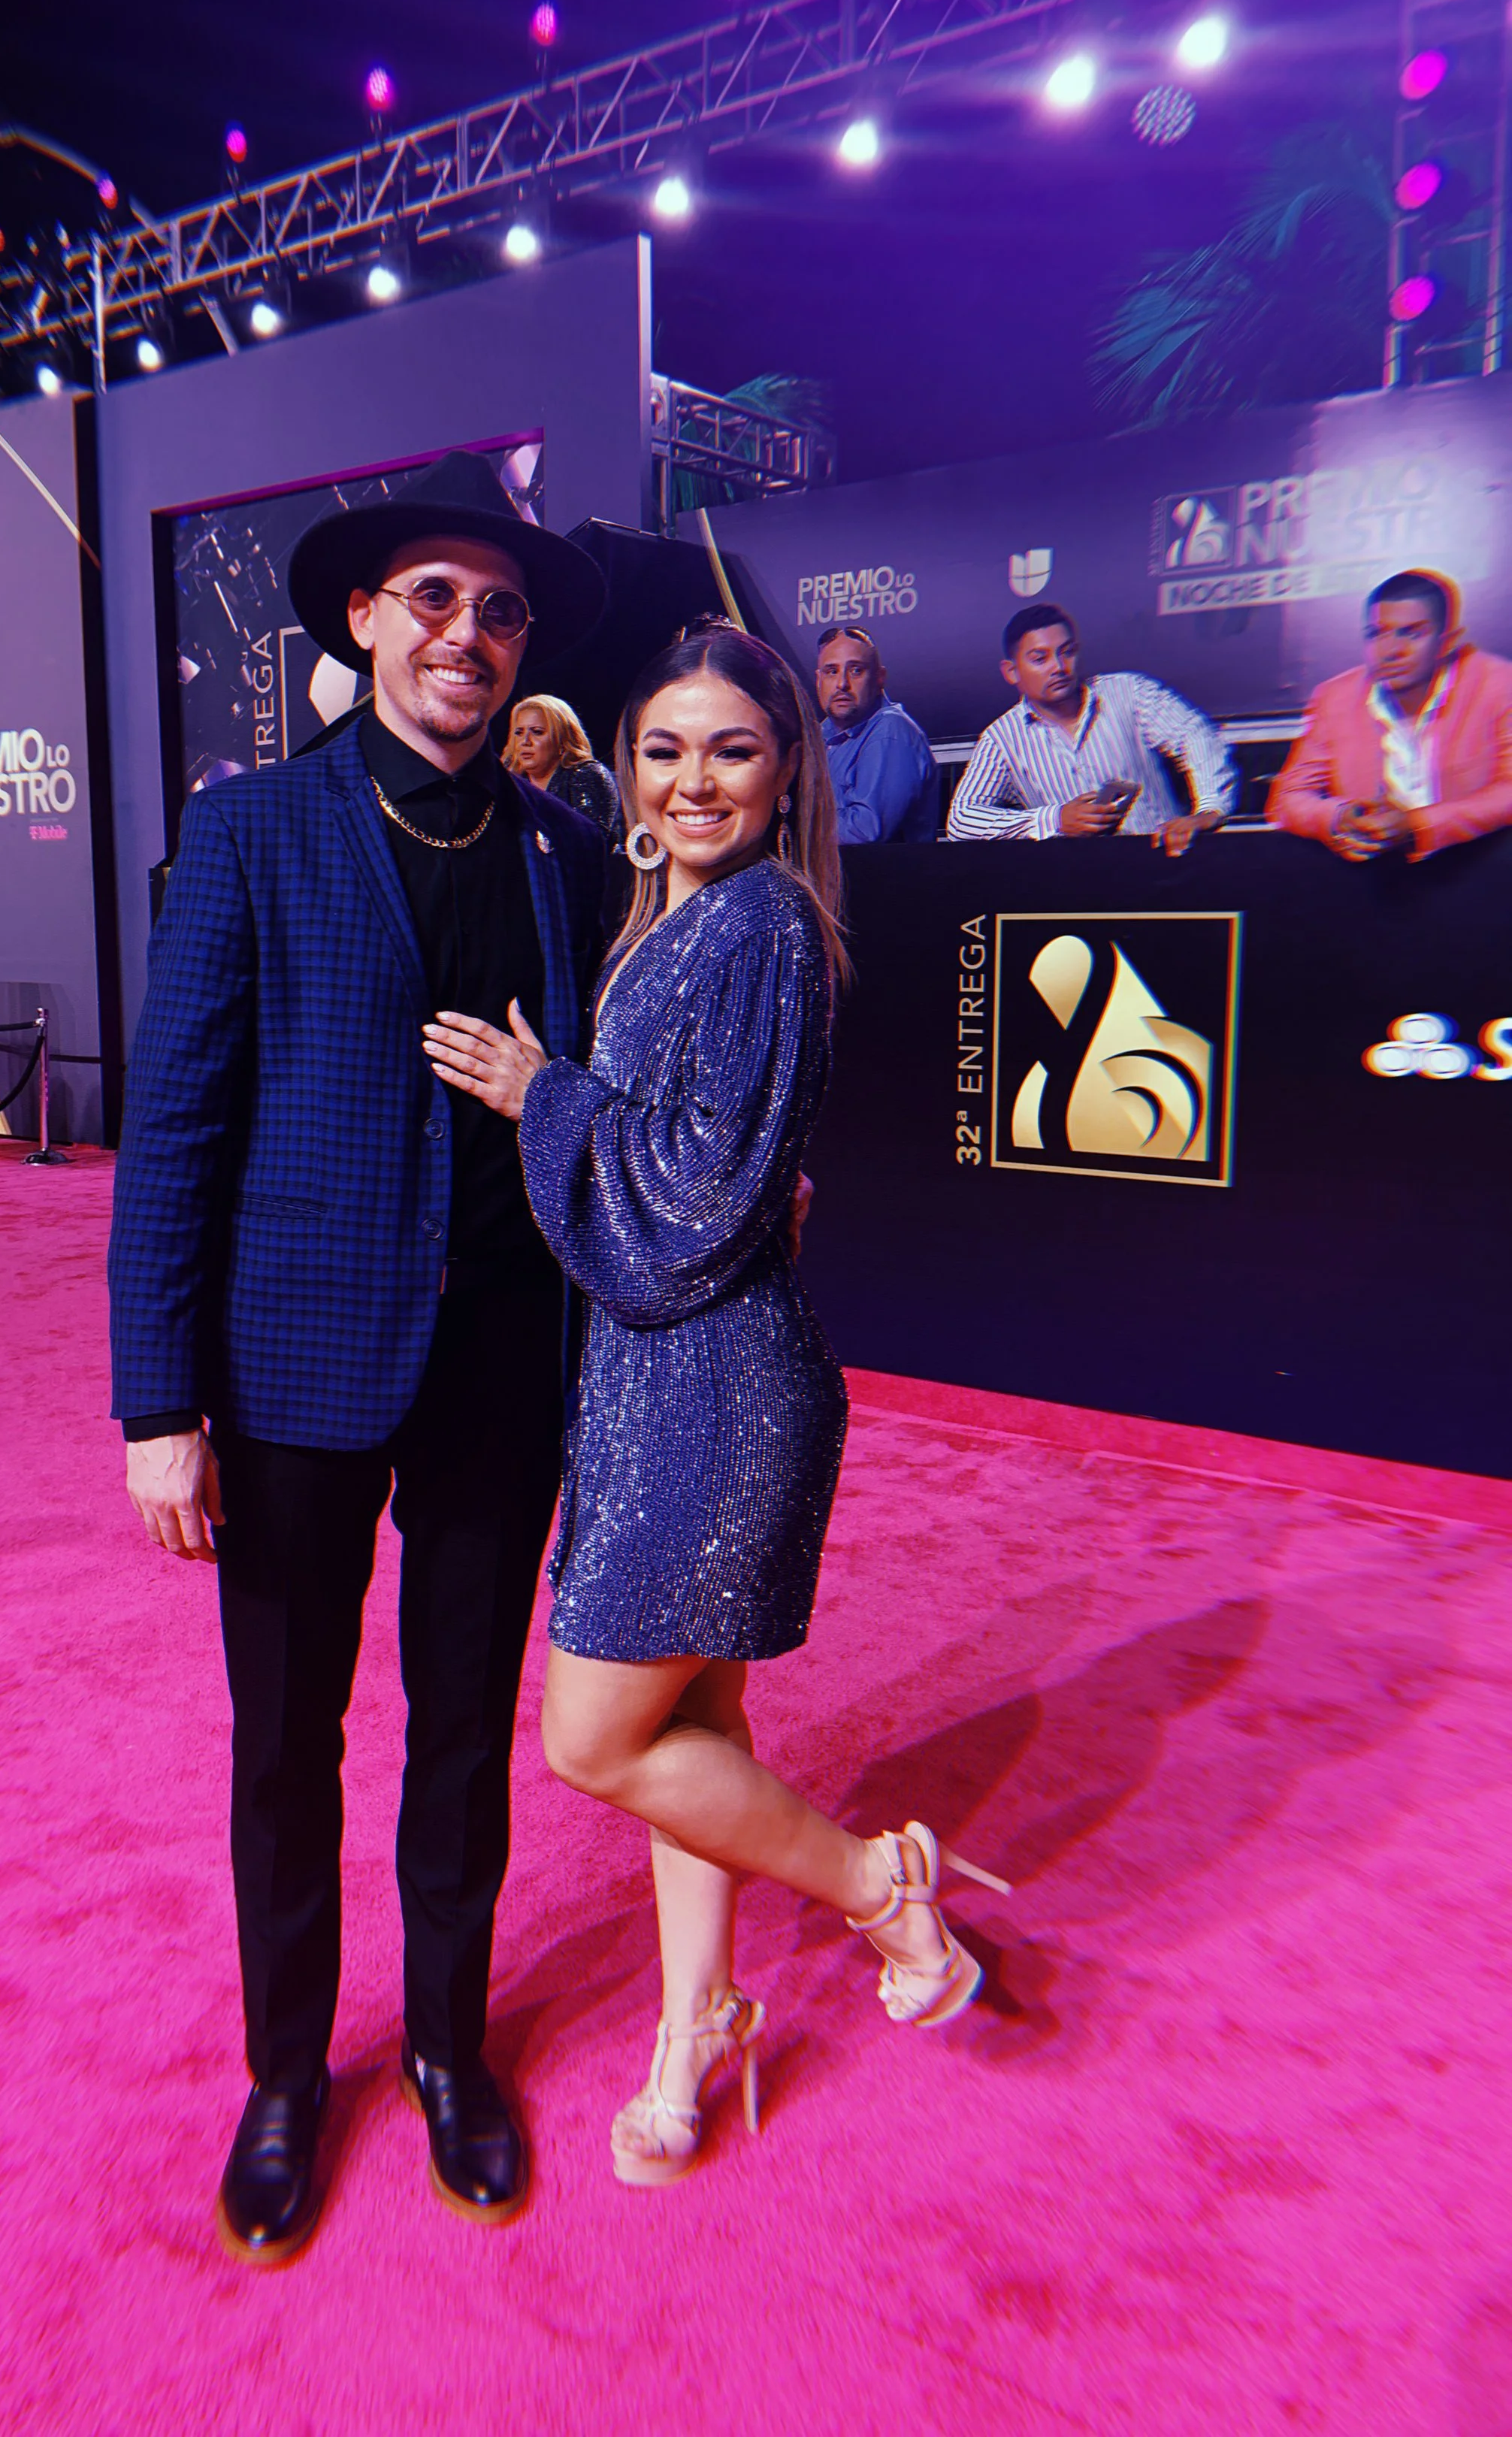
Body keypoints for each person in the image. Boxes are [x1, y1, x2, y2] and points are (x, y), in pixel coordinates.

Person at [422, 624, 1009, 2192]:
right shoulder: (664, 921)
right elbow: (714, 1165)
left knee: (590, 1738)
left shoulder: (755, 926)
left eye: (730, 749)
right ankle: (698, 2025)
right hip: (653, 1372)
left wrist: (534, 1092)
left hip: (717, 1387)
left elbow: (682, 1199)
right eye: (666, 748)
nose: (692, 780)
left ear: (784, 765)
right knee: (692, 1724)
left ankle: (878, 1885)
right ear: (627, 764)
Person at [107, 452, 609, 2263]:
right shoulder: (252, 830)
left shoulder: (565, 848)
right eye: (432, 602)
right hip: (292, 1373)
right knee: (286, 1747)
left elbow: (584, 1106)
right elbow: (173, 1133)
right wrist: (160, 1406)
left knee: (465, 1737)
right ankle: (282, 2076)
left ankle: (456, 2053)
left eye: (495, 611)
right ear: (362, 623)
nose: (465, 635)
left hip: (500, 1379)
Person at [1268, 570, 1512, 859]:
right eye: (1377, 634)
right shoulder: (1335, 697)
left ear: (1448, 641)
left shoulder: (1499, 685)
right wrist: (1339, 816)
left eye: (1411, 633)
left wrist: (1416, 825)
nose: (1391, 650)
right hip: (1373, 873)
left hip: (1478, 865)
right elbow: (1287, 799)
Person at [948, 603, 1233, 850]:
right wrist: (1054, 819)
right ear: (1011, 672)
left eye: (1067, 652)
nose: (1058, 667)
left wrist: (1209, 810)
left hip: (1164, 869)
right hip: (1076, 890)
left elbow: (1196, 736)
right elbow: (962, 821)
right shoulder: (1002, 738)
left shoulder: (1130, 693)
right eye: (1040, 658)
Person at [814, 624, 941, 842]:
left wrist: (795, 821)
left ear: (880, 677)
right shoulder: (820, 734)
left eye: (856, 671)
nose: (842, 684)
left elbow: (864, 833)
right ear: (819, 680)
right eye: (832, 672)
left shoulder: (892, 731)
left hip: (881, 875)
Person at [503, 693, 624, 846]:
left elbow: (590, 847)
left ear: (562, 741)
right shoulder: (510, 786)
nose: (525, 742)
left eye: (537, 732)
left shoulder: (586, 776)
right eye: (519, 733)